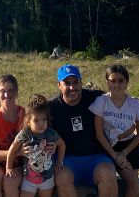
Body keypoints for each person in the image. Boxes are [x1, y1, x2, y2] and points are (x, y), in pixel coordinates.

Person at [48, 64, 119, 197]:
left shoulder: (96, 98)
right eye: (67, 83)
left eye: (76, 82)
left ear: (81, 82)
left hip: (96, 158)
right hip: (66, 160)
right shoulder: (51, 107)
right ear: (59, 85)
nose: (72, 87)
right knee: (61, 177)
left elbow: (120, 103)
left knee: (108, 174)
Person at [90, 65, 139, 197]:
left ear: (126, 82)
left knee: (133, 185)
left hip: (130, 147)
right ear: (107, 82)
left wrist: (124, 153)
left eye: (121, 80)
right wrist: (115, 155)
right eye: (112, 80)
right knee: (134, 184)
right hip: (110, 147)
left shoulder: (134, 104)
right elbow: (99, 133)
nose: (117, 84)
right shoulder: (102, 101)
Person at [6, 94, 65, 197]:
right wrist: (9, 168)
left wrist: (59, 162)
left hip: (47, 179)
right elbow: (12, 150)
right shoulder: (25, 134)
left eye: (44, 120)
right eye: (36, 120)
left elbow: (62, 145)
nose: (41, 123)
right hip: (29, 179)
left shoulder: (50, 133)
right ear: (28, 121)